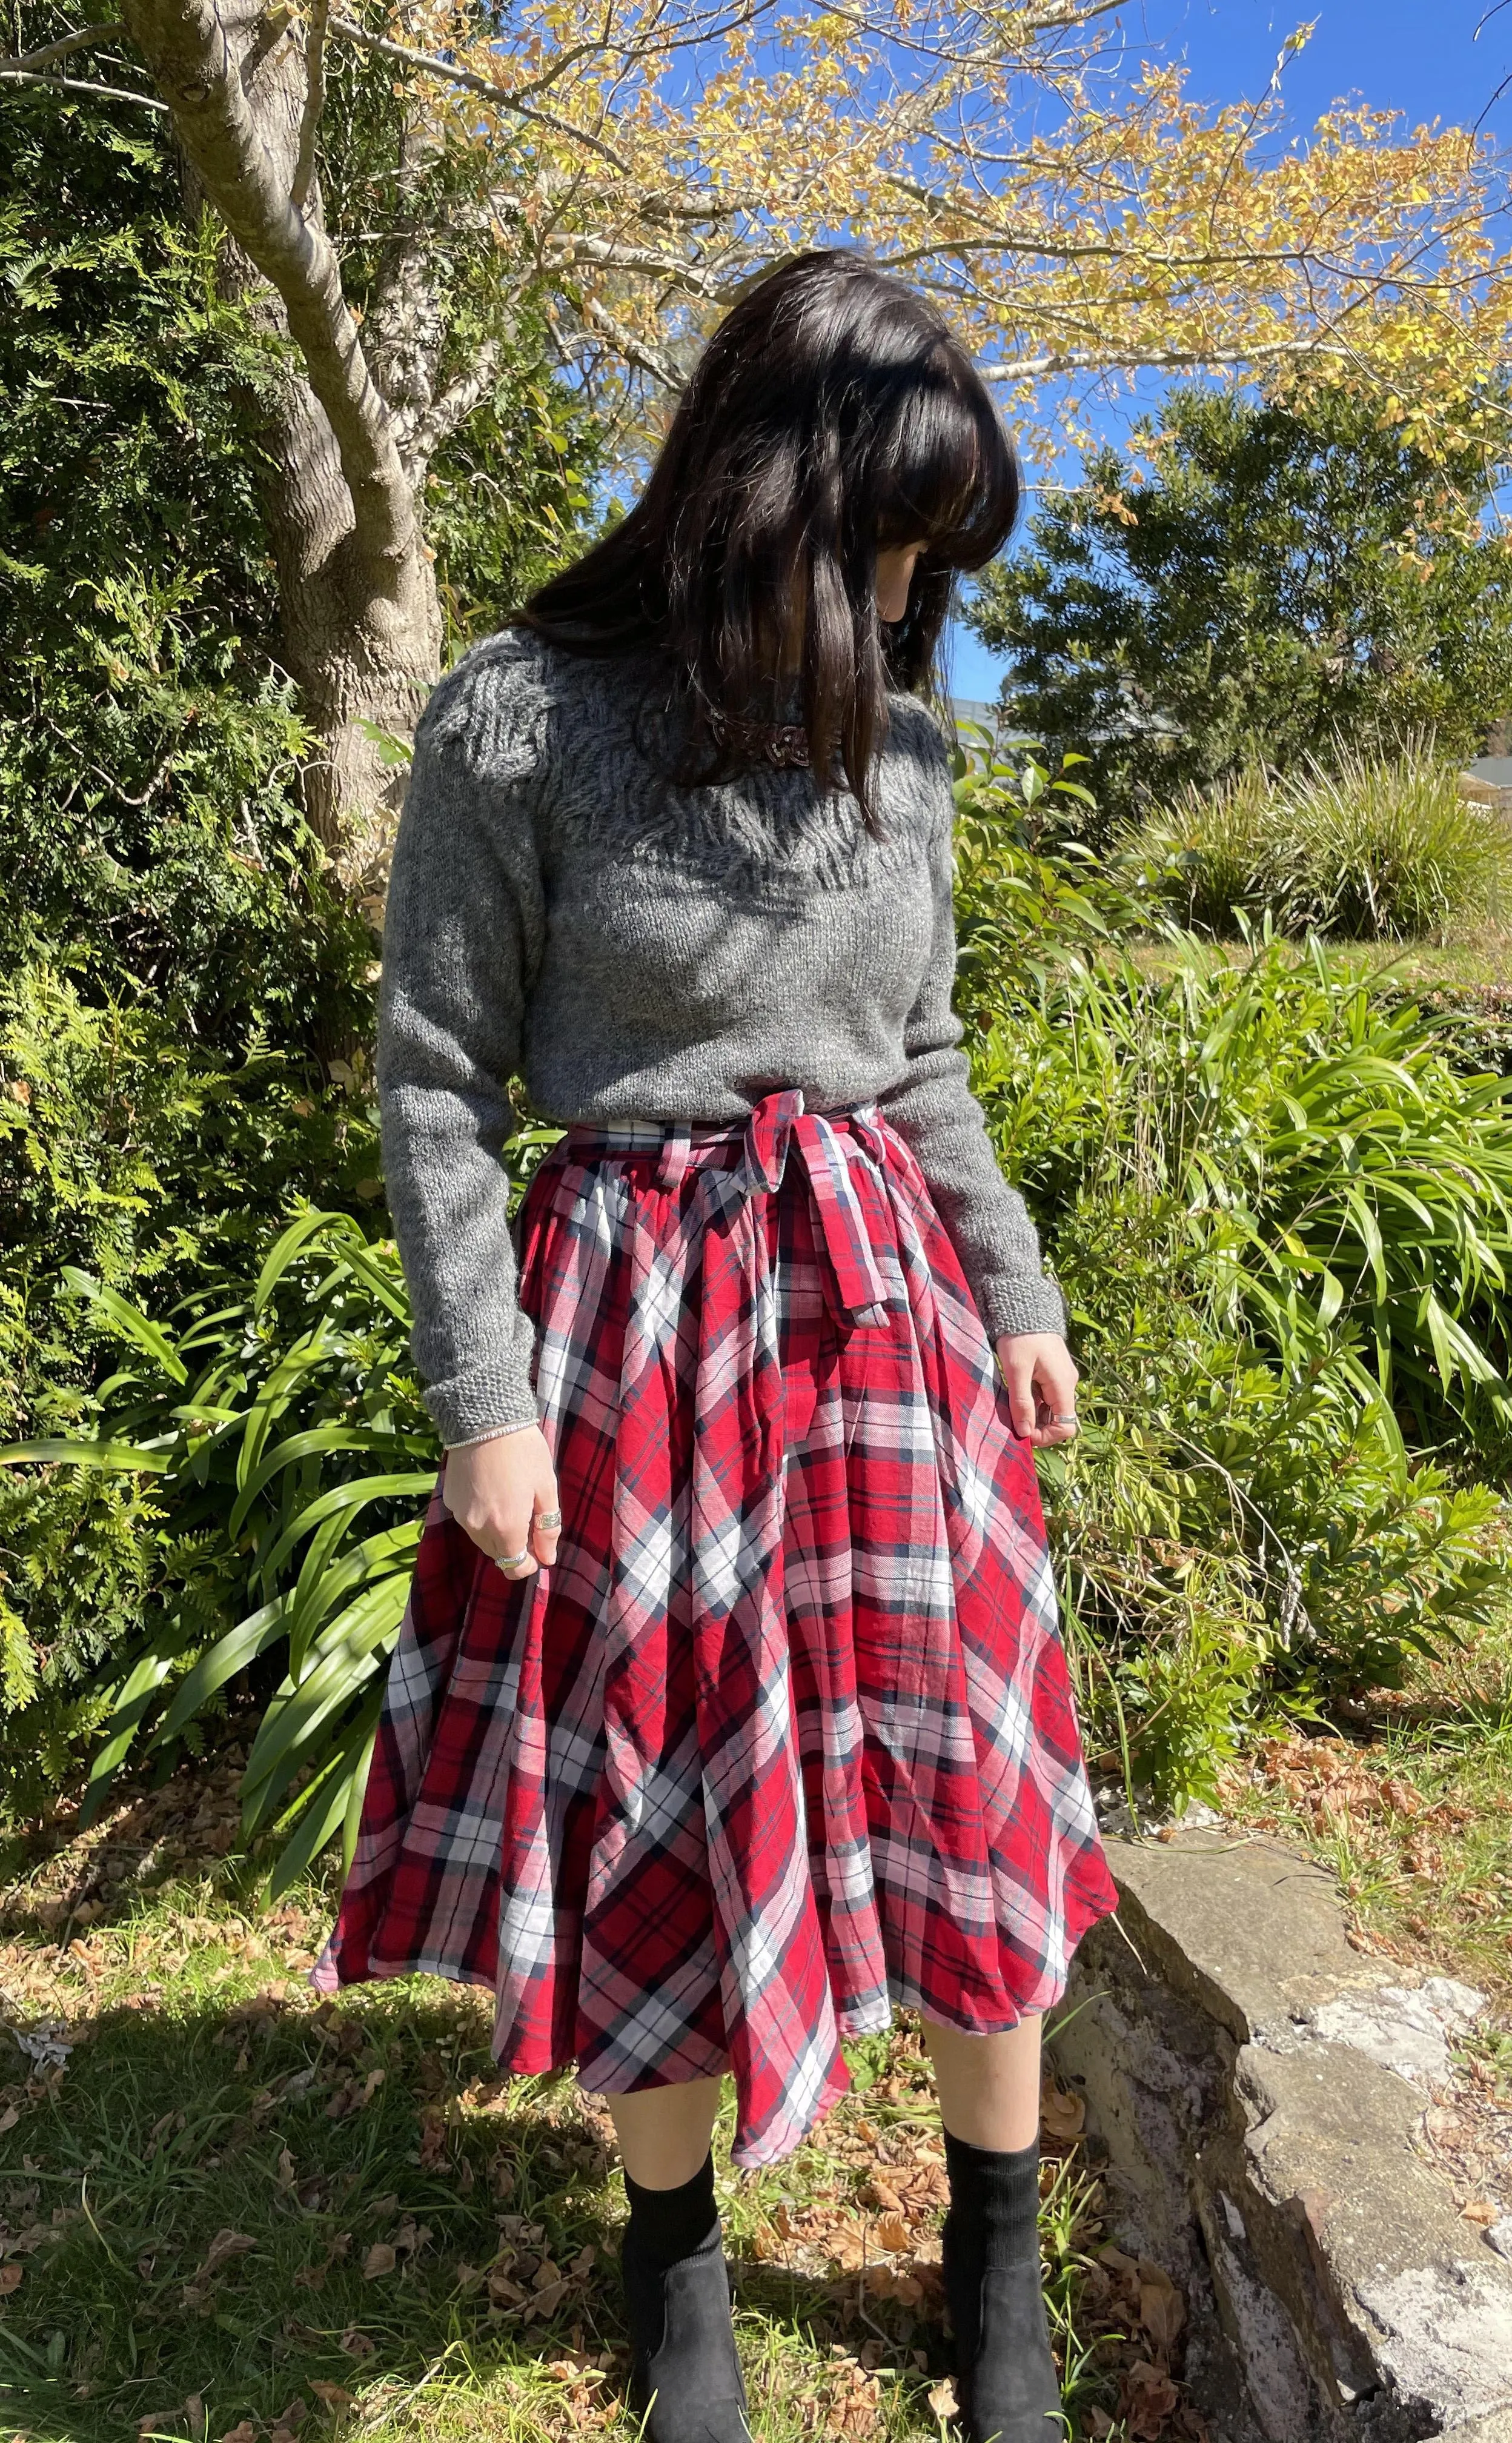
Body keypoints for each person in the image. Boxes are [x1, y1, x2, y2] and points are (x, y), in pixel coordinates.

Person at [311, 247, 1118, 2443]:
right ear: (769, 492)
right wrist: (483, 1402)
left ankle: (999, 2252)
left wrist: (1015, 1289)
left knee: (964, 1783)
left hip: (878, 1321)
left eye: (928, 558)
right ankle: (679, 2283)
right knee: (652, 1788)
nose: (902, 594)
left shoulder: (909, 746)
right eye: (883, 540)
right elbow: (433, 1080)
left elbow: (923, 1050)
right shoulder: (519, 716)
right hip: (628, 1332)